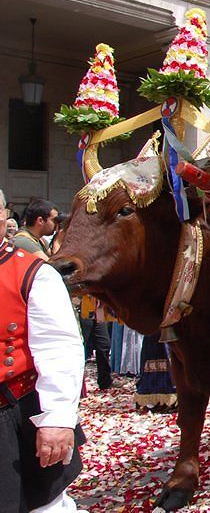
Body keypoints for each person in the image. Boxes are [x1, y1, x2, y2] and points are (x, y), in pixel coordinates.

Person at [0, 189, 86, 511]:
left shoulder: (32, 273)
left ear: (3, 216)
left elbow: (59, 346)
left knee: (42, 506)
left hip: (14, 416)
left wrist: (57, 418)